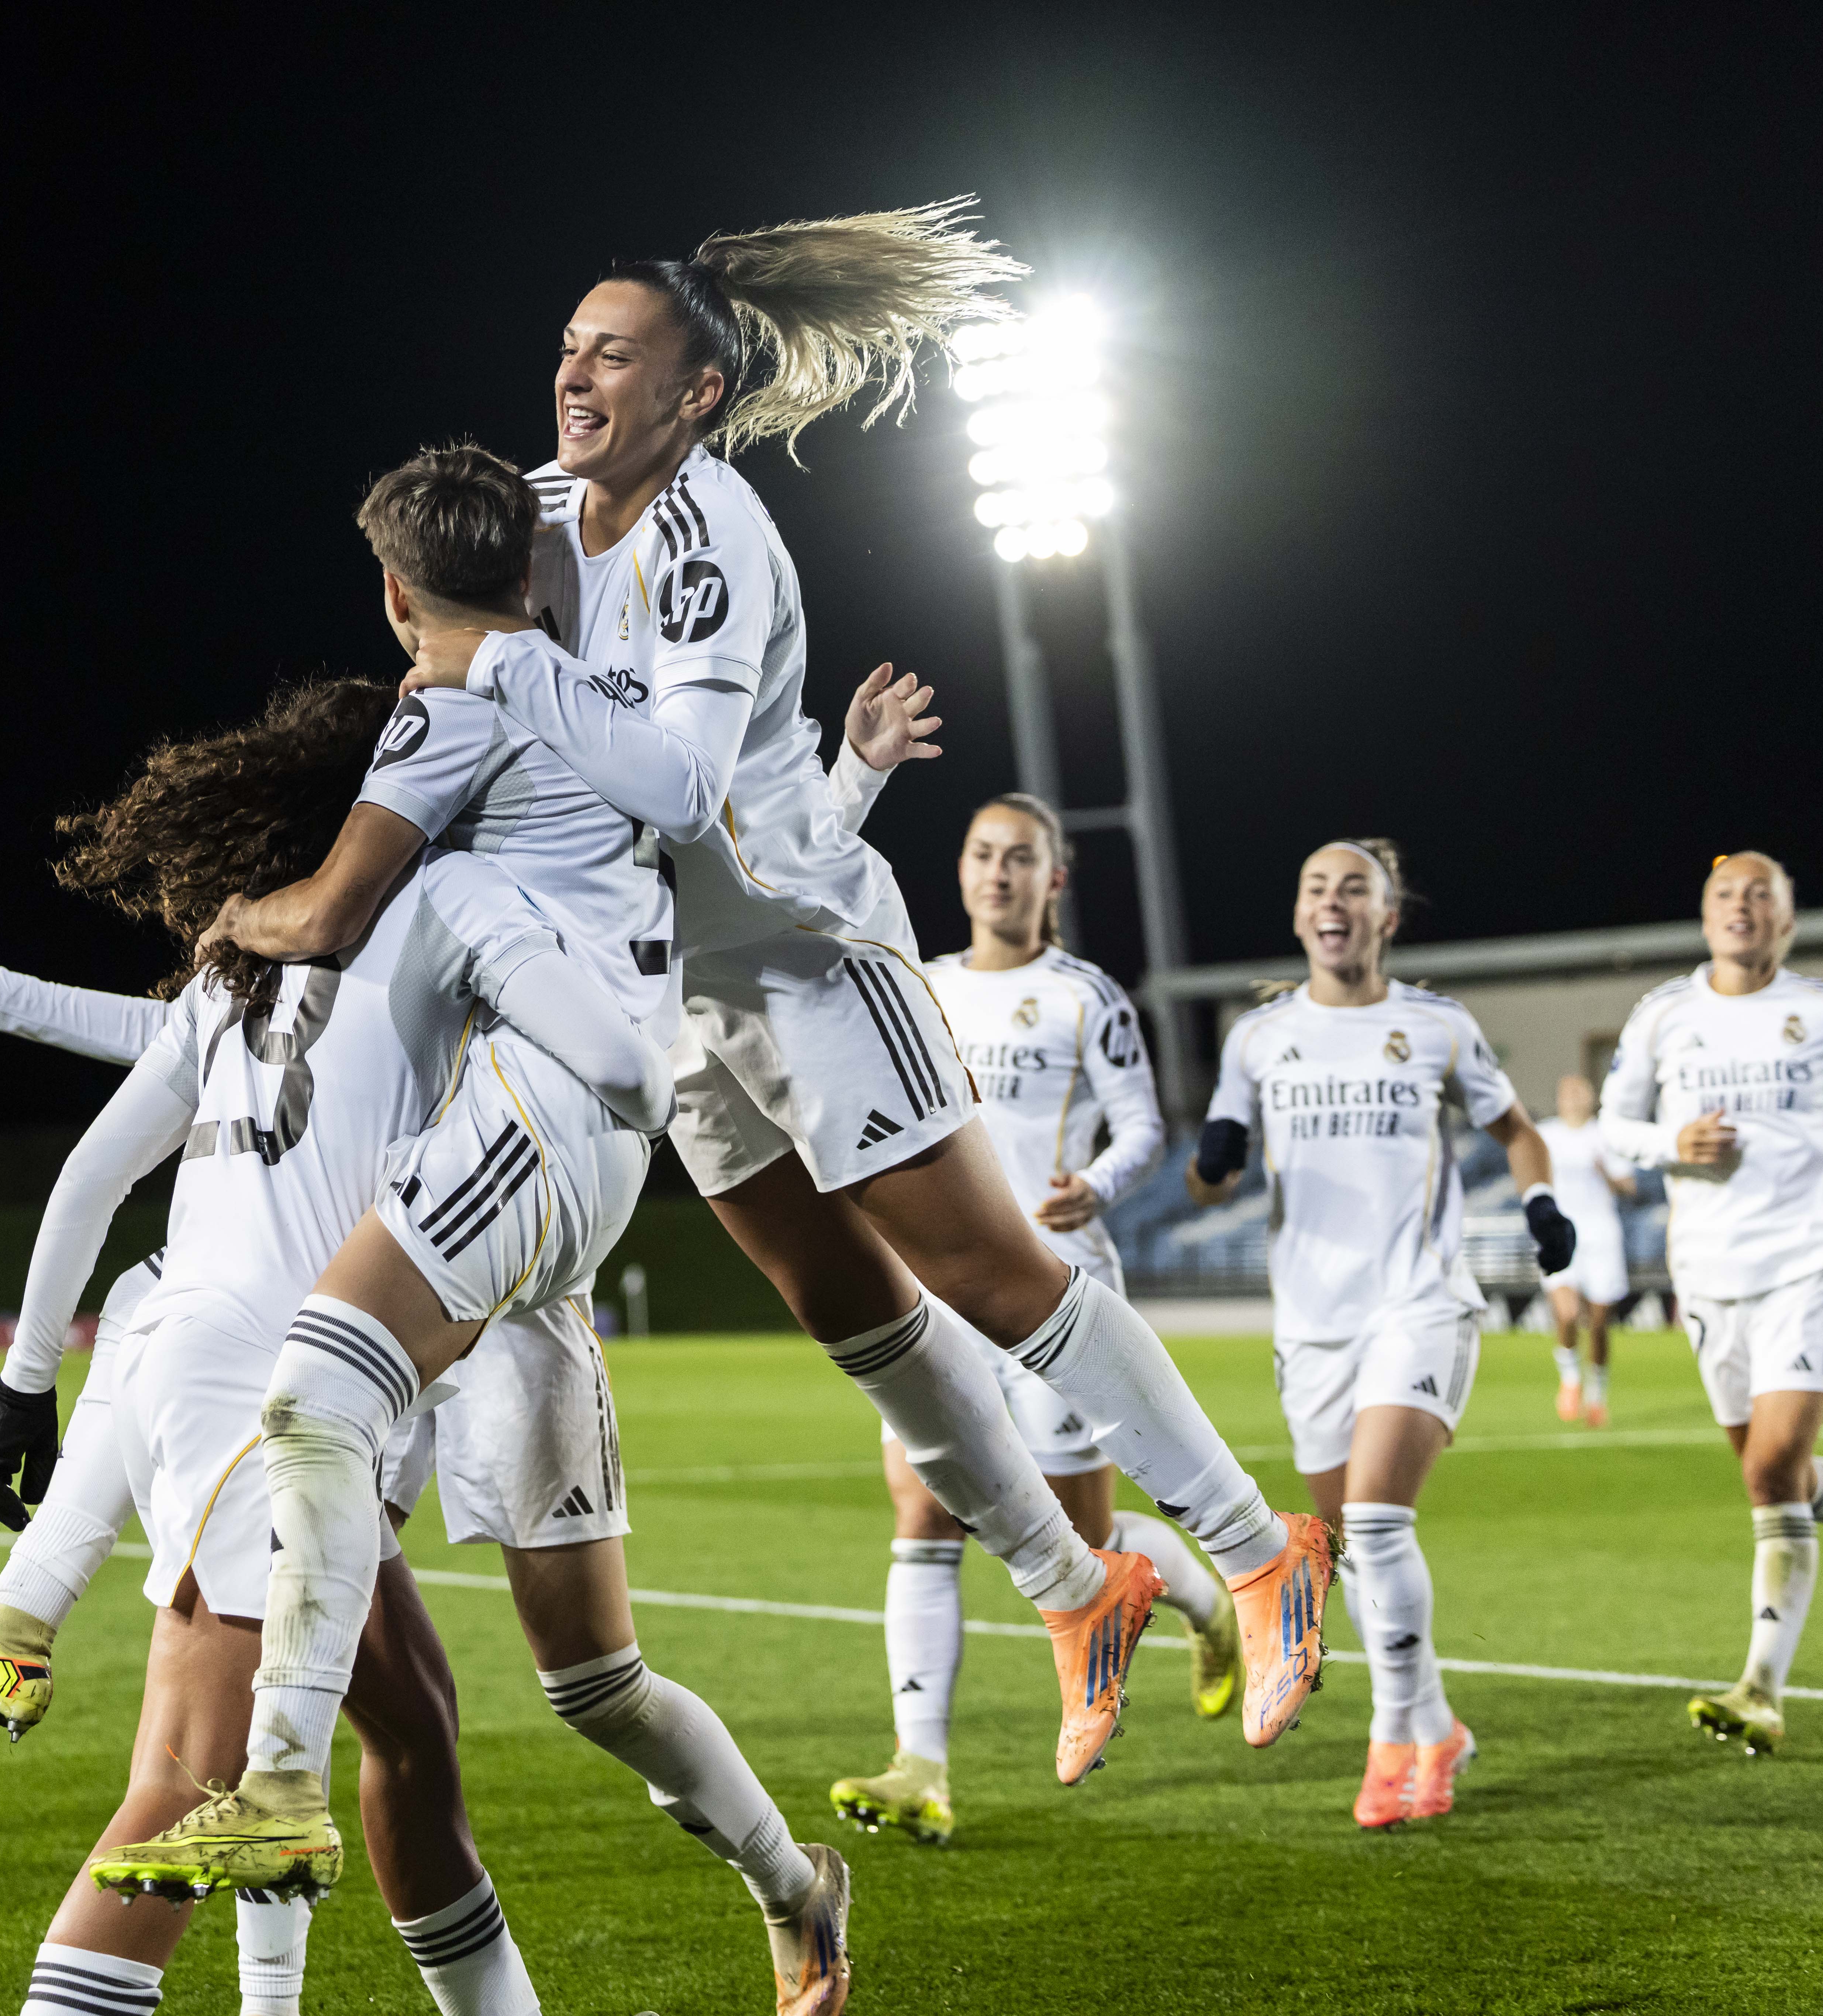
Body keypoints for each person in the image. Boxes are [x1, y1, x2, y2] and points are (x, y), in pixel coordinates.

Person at [398, 200, 1331, 1758]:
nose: (575, 373)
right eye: (567, 346)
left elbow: (685, 786)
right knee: (855, 1321)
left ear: (695, 395)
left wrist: (497, 683)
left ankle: (1257, 1548)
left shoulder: (711, 536)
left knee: (990, 1274)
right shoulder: (538, 518)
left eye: (613, 352)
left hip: (804, 952)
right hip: (671, 993)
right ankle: (1070, 1582)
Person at [87, 445, 854, 2016]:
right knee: (585, 1679)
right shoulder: (621, 706)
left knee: (313, 1384)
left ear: (390, 593)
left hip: (520, 1151)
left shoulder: (444, 713)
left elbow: (332, 912)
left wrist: (241, 919)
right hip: (537, 1226)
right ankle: (797, 1883)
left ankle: (276, 1788)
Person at [0, 675, 664, 2016]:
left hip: (177, 1366)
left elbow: (91, 1171)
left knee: (415, 1728)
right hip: (261, 1403)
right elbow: (614, 1056)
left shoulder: (233, 983)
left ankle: (19, 1615)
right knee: (184, 1783)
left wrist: (23, 1383)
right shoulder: (441, 934)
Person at [824, 789, 1238, 1848]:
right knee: (922, 1515)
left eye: (1021, 859)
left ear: (1055, 879)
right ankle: (922, 1767)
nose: (998, 874)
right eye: (982, 855)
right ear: (960, 872)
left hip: (1053, 1287)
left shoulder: (1085, 996)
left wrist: (1095, 1184)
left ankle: (1208, 1603)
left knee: (1082, 1541)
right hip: (933, 1299)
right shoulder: (921, 986)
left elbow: (1146, 1126)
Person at [1186, 840, 1576, 1829]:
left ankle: (1394, 1744)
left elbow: (1517, 1129)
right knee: (1355, 1550)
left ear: (1387, 916)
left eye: (1354, 887)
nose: (1334, 901)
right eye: (1316, 885)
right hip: (1313, 1326)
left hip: (1421, 1303)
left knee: (1380, 1522)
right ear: (1299, 915)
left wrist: (1540, 1202)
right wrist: (1216, 1158)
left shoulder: (1436, 1026)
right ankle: (1435, 1721)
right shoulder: (1258, 1037)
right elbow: (1209, 1171)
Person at [1594, 851, 1823, 1756]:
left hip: (1809, 1254)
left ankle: (1760, 1689)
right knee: (1776, 1476)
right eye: (1724, 894)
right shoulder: (1662, 1014)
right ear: (1705, 916)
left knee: (1771, 1470)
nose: (1741, 906)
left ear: (1787, 918)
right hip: (1705, 1269)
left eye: (1759, 894)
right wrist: (1670, 1139)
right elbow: (1613, 1124)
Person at [1534, 1074, 1637, 1426]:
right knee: (1565, 1315)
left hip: (1601, 1236)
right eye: (1569, 1092)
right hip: (1561, 1234)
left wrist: (1606, 1173)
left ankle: (1597, 1395)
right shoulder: (1546, 1134)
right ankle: (1570, 1381)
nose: (1575, 1098)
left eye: (1582, 1091)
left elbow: (1630, 1187)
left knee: (1598, 1323)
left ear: (1592, 1097)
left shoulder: (1605, 1135)